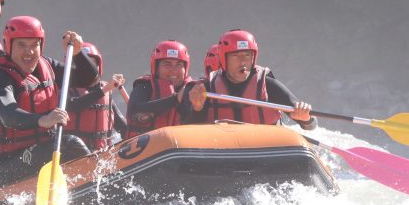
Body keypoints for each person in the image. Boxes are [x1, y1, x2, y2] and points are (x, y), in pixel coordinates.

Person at [0, 15, 99, 189]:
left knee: (68, 145)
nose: (29, 51)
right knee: (70, 144)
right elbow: (9, 115)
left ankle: (93, 183)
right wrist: (43, 119)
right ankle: (96, 186)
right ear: (9, 45)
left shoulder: (45, 65)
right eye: (21, 45)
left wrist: (78, 53)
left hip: (34, 152)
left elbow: (90, 79)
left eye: (34, 44)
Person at [186, 29, 316, 128]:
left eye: (247, 55)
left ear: (254, 58)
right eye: (236, 56)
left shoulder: (267, 85)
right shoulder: (208, 88)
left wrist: (305, 118)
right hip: (226, 155)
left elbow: (311, 125)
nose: (243, 61)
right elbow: (189, 130)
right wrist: (197, 109)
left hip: (265, 154)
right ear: (223, 59)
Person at [125, 40, 197, 138]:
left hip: (180, 149)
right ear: (156, 68)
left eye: (179, 65)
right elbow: (134, 112)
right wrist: (175, 99)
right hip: (147, 149)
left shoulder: (193, 91)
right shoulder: (144, 87)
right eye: (167, 64)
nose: (173, 70)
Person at [65, 42, 127, 150]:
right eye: (82, 66)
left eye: (92, 65)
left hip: (101, 156)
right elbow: (74, 106)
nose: (87, 70)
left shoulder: (106, 92)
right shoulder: (63, 89)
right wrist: (105, 89)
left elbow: (122, 127)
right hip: (72, 155)